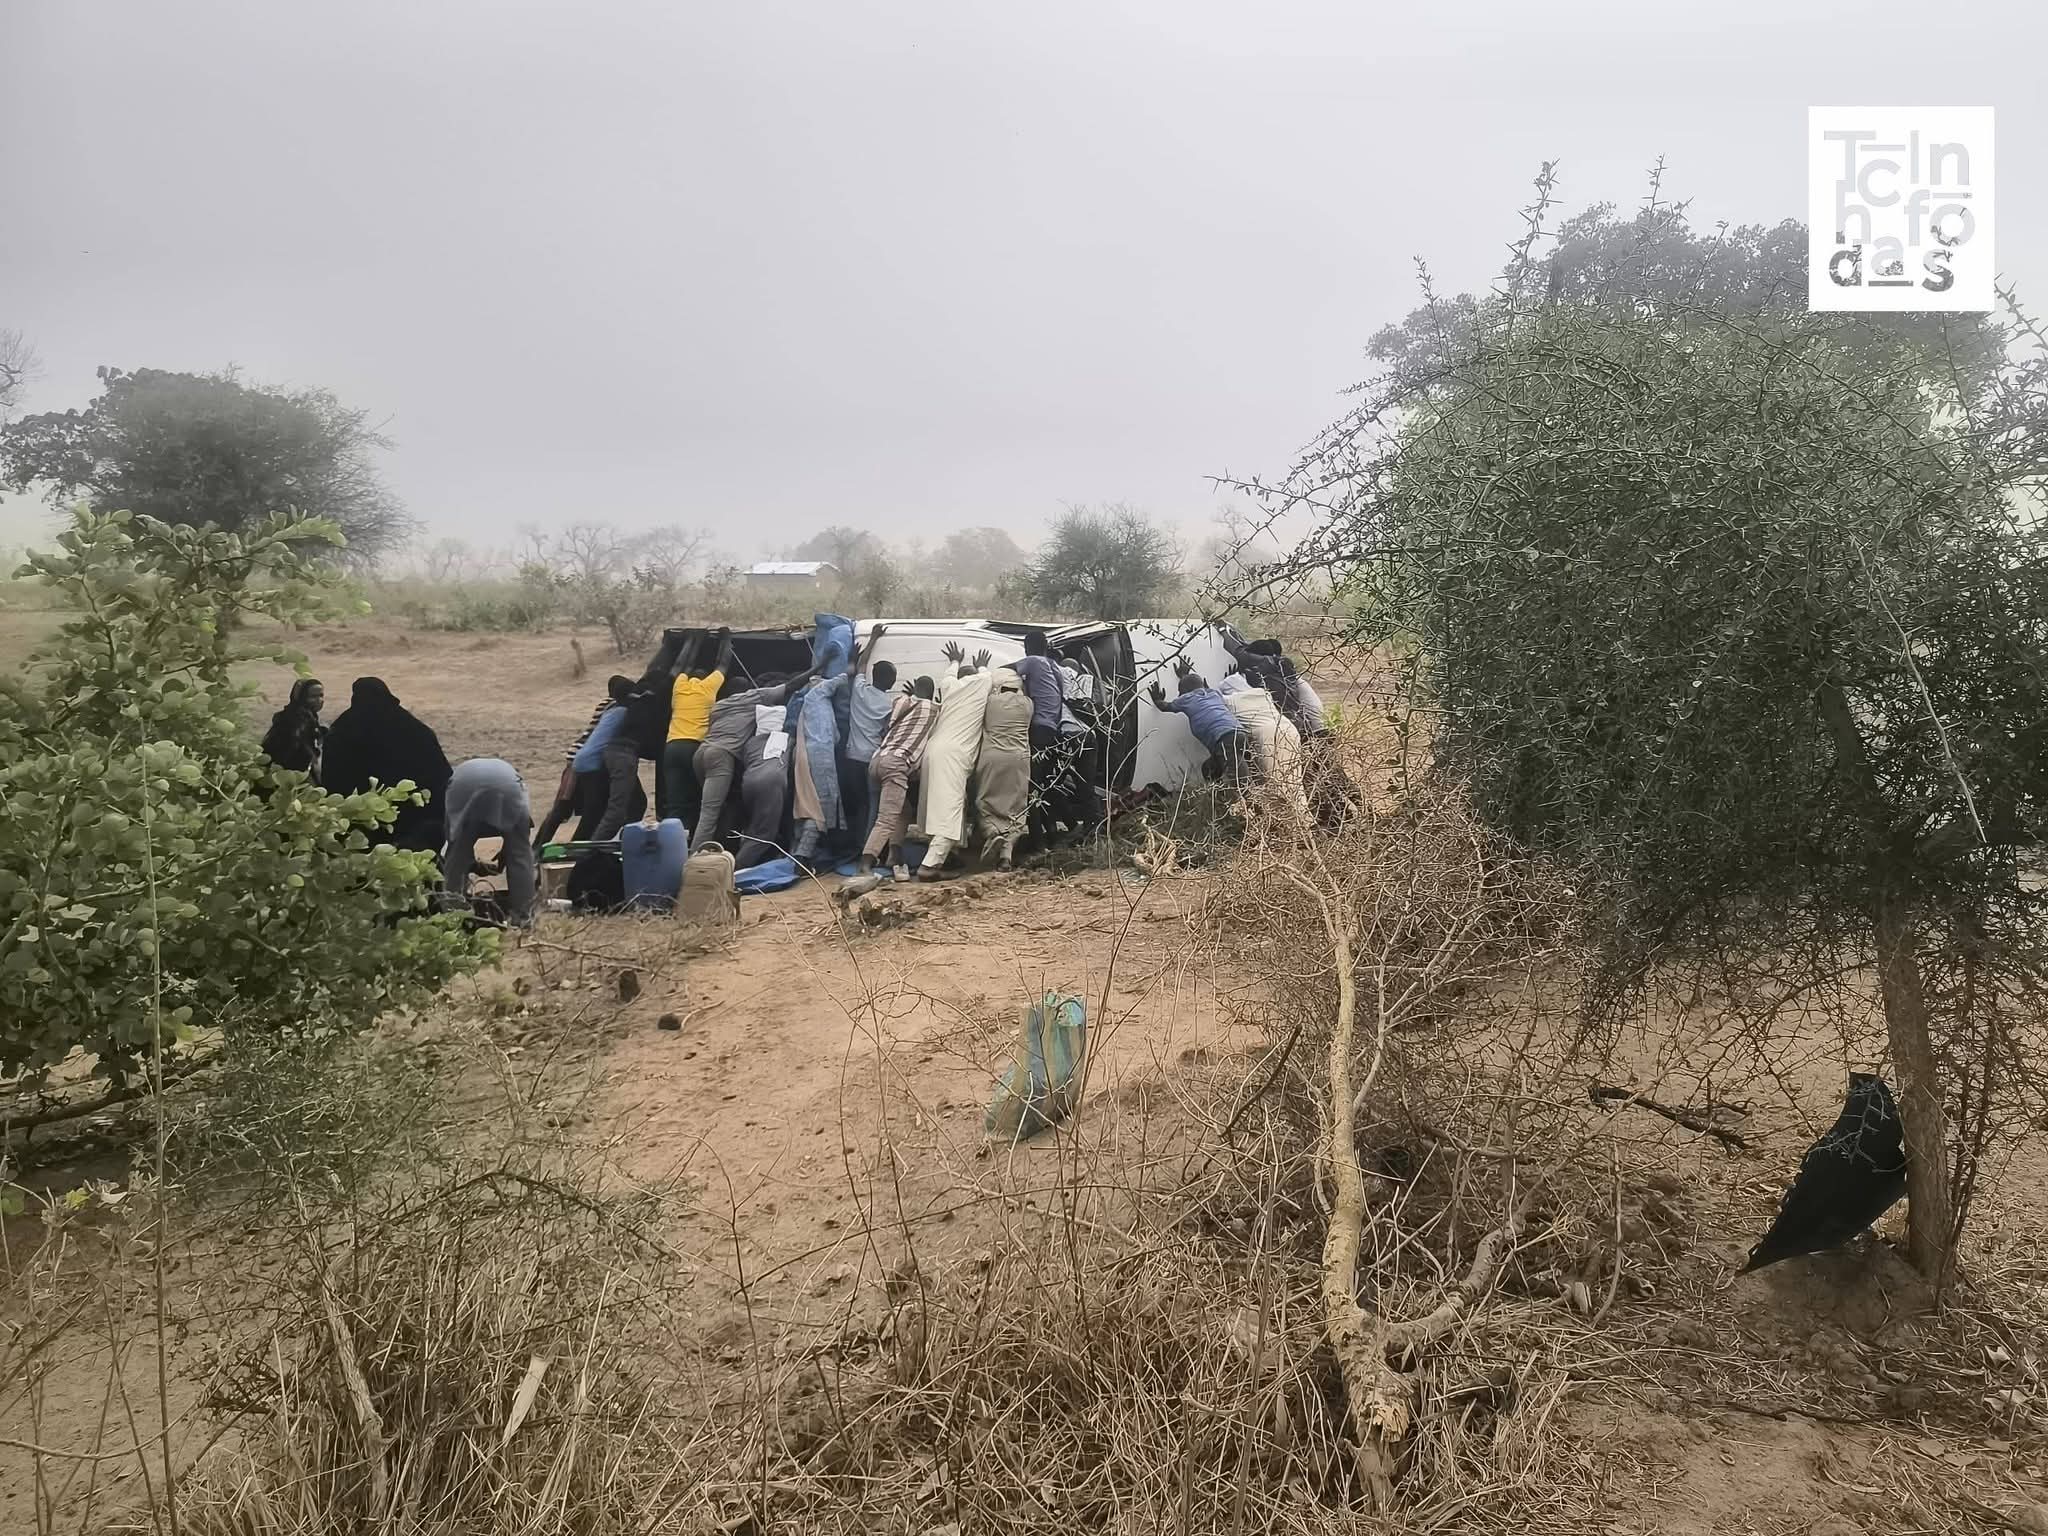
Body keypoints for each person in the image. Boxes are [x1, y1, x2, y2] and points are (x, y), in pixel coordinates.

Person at [322, 677, 453, 852]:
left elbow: (333, 778)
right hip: (413, 819)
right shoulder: (413, 728)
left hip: (364, 822)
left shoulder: (344, 729)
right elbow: (439, 774)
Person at [689, 669, 808, 854]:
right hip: (721, 756)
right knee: (710, 812)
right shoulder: (752, 697)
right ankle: (694, 858)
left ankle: (715, 850)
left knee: (718, 806)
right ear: (746, 690)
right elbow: (791, 686)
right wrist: (819, 666)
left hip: (701, 754)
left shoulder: (718, 706)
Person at [914, 645, 995, 879]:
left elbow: (949, 675)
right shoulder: (980, 684)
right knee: (950, 810)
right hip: (953, 754)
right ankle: (929, 867)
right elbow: (987, 676)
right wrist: (982, 665)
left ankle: (947, 856)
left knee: (935, 806)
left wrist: (955, 661)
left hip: (933, 750)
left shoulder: (949, 686)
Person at [860, 675, 940, 878]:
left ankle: (894, 855)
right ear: (931, 694)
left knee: (904, 810)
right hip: (896, 764)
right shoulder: (933, 709)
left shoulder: (900, 702)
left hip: (877, 760)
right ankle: (865, 865)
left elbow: (907, 704)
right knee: (886, 819)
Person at [442, 757, 537, 926]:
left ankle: (453, 914)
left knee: (457, 854)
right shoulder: (518, 781)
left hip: (463, 785)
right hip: (508, 787)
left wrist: (468, 861)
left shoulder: (459, 772)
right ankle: (523, 917)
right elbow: (522, 831)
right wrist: (509, 852)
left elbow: (451, 839)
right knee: (520, 854)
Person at [662, 627, 730, 827]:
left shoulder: (680, 687)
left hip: (672, 747)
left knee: (675, 802)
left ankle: (672, 836)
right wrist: (725, 637)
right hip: (694, 747)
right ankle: (694, 836)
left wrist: (694, 639)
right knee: (697, 798)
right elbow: (723, 664)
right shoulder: (708, 688)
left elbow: (682, 664)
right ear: (705, 678)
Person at [534, 689, 619, 850]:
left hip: (575, 755)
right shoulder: (613, 706)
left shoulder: (605, 703)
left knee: (561, 809)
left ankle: (537, 847)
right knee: (563, 809)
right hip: (580, 759)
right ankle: (540, 848)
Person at [1219, 672, 1308, 818]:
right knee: (1294, 781)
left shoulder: (1231, 701)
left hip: (1272, 738)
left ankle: (1295, 824)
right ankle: (1303, 821)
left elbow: (1210, 698)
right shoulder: (1262, 693)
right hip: (1289, 730)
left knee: (1279, 785)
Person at [569, 675, 645, 841]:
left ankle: (584, 846)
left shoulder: (611, 710)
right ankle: (578, 849)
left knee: (595, 812)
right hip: (593, 764)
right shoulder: (626, 712)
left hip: (584, 760)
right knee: (593, 814)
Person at [1146, 665, 1249, 785]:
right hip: (1239, 732)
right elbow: (1196, 685)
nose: (1179, 694)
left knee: (1238, 779)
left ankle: (1247, 794)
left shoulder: (1186, 699)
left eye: (1180, 691)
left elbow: (1166, 707)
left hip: (1224, 739)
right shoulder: (1214, 694)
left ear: (1185, 691)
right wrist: (1184, 676)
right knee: (1209, 769)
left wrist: (1158, 700)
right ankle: (1221, 794)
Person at [842, 627, 896, 852]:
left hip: (851, 757)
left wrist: (873, 638)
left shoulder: (859, 689)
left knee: (857, 804)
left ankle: (855, 844)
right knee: (873, 805)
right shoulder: (889, 705)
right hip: (871, 759)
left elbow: (862, 665)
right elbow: (888, 731)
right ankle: (868, 846)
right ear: (892, 682)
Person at [975, 672, 1033, 868]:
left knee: (985, 801)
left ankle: (992, 832)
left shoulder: (990, 703)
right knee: (1016, 806)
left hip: (993, 757)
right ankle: (1006, 856)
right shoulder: (1028, 705)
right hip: (1019, 760)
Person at [735, 700, 795, 868]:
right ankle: (734, 870)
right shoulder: (787, 739)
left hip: (749, 783)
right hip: (771, 783)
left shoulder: (750, 743)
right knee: (764, 834)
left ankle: (751, 860)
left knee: (755, 826)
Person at [260, 678, 326, 777]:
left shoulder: (307, 716)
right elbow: (298, 749)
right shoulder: (295, 721)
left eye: (321, 695)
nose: (319, 700)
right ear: (302, 697)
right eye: (313, 696)